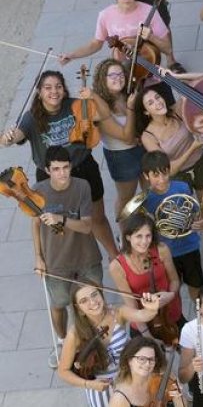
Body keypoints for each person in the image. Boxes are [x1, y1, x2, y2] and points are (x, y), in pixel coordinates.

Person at [3, 69, 118, 259]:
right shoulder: (31, 117)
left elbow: (104, 115)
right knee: (59, 223)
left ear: (64, 90)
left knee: (97, 218)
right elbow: (15, 136)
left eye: (58, 87)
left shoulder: (75, 106)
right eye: (47, 88)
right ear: (39, 92)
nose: (54, 91)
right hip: (51, 178)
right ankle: (71, 260)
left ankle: (115, 256)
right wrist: (6, 138)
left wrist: (93, 97)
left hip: (82, 168)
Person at [32, 145, 107, 365]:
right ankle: (63, 341)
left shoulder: (82, 186)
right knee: (59, 304)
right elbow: (35, 224)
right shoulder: (39, 190)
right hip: (56, 261)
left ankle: (99, 339)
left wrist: (60, 219)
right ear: (47, 170)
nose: (62, 173)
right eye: (56, 169)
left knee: (96, 301)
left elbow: (86, 226)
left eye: (65, 168)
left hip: (86, 257)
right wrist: (38, 256)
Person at [135, 82, 203, 253]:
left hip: (201, 165)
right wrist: (193, 146)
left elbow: (195, 85)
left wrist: (171, 76)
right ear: (146, 111)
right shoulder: (148, 136)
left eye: (157, 97)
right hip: (177, 177)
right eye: (150, 103)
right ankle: (187, 254)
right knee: (183, 220)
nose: (157, 103)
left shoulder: (177, 111)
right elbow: (166, 170)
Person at [57, 280, 161, 406]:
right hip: (101, 389)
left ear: (101, 294)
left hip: (131, 379)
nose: (92, 302)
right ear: (79, 310)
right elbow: (63, 371)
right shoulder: (75, 333)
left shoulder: (118, 313)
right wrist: (89, 384)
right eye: (84, 301)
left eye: (94, 294)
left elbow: (141, 315)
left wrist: (151, 310)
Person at [138, 150, 203, 300]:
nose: (162, 180)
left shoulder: (182, 187)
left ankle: (199, 317)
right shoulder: (146, 199)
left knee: (196, 285)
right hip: (166, 251)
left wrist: (196, 223)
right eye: (155, 175)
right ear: (146, 176)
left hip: (190, 245)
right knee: (172, 287)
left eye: (165, 173)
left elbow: (193, 212)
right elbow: (144, 228)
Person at [87, 58, 145, 229]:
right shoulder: (100, 106)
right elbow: (126, 137)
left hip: (142, 147)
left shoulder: (127, 94)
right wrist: (131, 108)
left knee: (149, 191)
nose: (118, 78)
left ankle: (148, 225)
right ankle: (124, 233)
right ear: (102, 79)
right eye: (112, 75)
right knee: (127, 198)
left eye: (121, 74)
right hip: (121, 156)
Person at [109, 213, 183, 338]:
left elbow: (175, 280)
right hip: (142, 323)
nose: (144, 242)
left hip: (169, 311)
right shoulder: (117, 266)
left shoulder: (162, 250)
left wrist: (170, 295)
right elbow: (131, 306)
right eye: (139, 236)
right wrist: (147, 335)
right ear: (128, 237)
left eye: (148, 236)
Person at [109, 337, 188, 407]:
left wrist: (179, 397)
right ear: (129, 360)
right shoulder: (120, 398)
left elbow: (180, 404)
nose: (147, 364)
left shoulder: (159, 381)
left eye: (151, 359)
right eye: (141, 359)